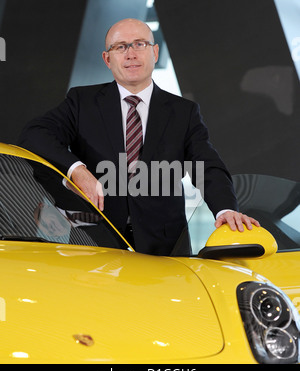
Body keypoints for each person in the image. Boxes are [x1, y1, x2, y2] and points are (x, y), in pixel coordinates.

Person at [18, 18, 259, 255]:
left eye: (139, 44)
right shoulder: (82, 102)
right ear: (107, 58)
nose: (131, 54)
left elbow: (206, 166)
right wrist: (77, 171)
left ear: (154, 52)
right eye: (120, 46)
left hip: (165, 247)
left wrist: (224, 209)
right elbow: (35, 134)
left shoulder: (183, 112)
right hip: (95, 240)